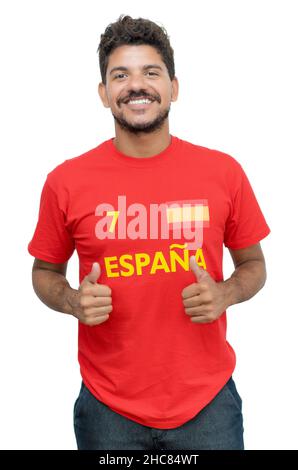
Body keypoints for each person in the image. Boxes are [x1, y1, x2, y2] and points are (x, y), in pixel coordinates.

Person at [27, 14, 270, 450]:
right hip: (107, 409)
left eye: (151, 72)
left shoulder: (224, 172)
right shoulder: (66, 181)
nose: (136, 85)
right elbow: (44, 271)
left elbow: (253, 264)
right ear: (104, 94)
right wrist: (70, 300)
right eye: (121, 75)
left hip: (208, 404)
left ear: (174, 87)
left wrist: (226, 292)